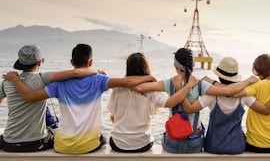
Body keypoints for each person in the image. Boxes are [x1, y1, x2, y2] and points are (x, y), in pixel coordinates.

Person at [3, 43, 156, 154]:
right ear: (90, 62)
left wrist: (15, 80)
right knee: (102, 137)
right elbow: (125, 82)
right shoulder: (99, 80)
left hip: (62, 146)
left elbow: (31, 96)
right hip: (89, 146)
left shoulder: (58, 84)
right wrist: (150, 77)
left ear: (71, 62)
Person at [130, 48, 261, 153]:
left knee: (165, 135)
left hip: (173, 144)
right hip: (194, 143)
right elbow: (228, 91)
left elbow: (139, 87)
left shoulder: (169, 83)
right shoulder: (201, 85)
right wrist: (248, 81)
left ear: (175, 66)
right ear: (193, 65)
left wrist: (151, 77)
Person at [180, 56, 270, 154]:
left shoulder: (212, 95)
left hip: (213, 146)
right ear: (235, 76)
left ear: (219, 76)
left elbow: (189, 109)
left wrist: (182, 88)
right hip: (237, 146)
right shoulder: (244, 95)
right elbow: (266, 110)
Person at [0, 44, 98, 152]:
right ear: (40, 62)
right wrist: (96, 71)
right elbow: (76, 73)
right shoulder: (42, 79)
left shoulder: (7, 81)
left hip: (9, 142)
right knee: (56, 132)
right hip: (35, 143)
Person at [107, 52, 197, 152]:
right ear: (146, 67)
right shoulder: (152, 89)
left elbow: (113, 117)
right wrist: (188, 86)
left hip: (118, 143)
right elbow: (170, 103)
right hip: (142, 144)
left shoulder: (118, 88)